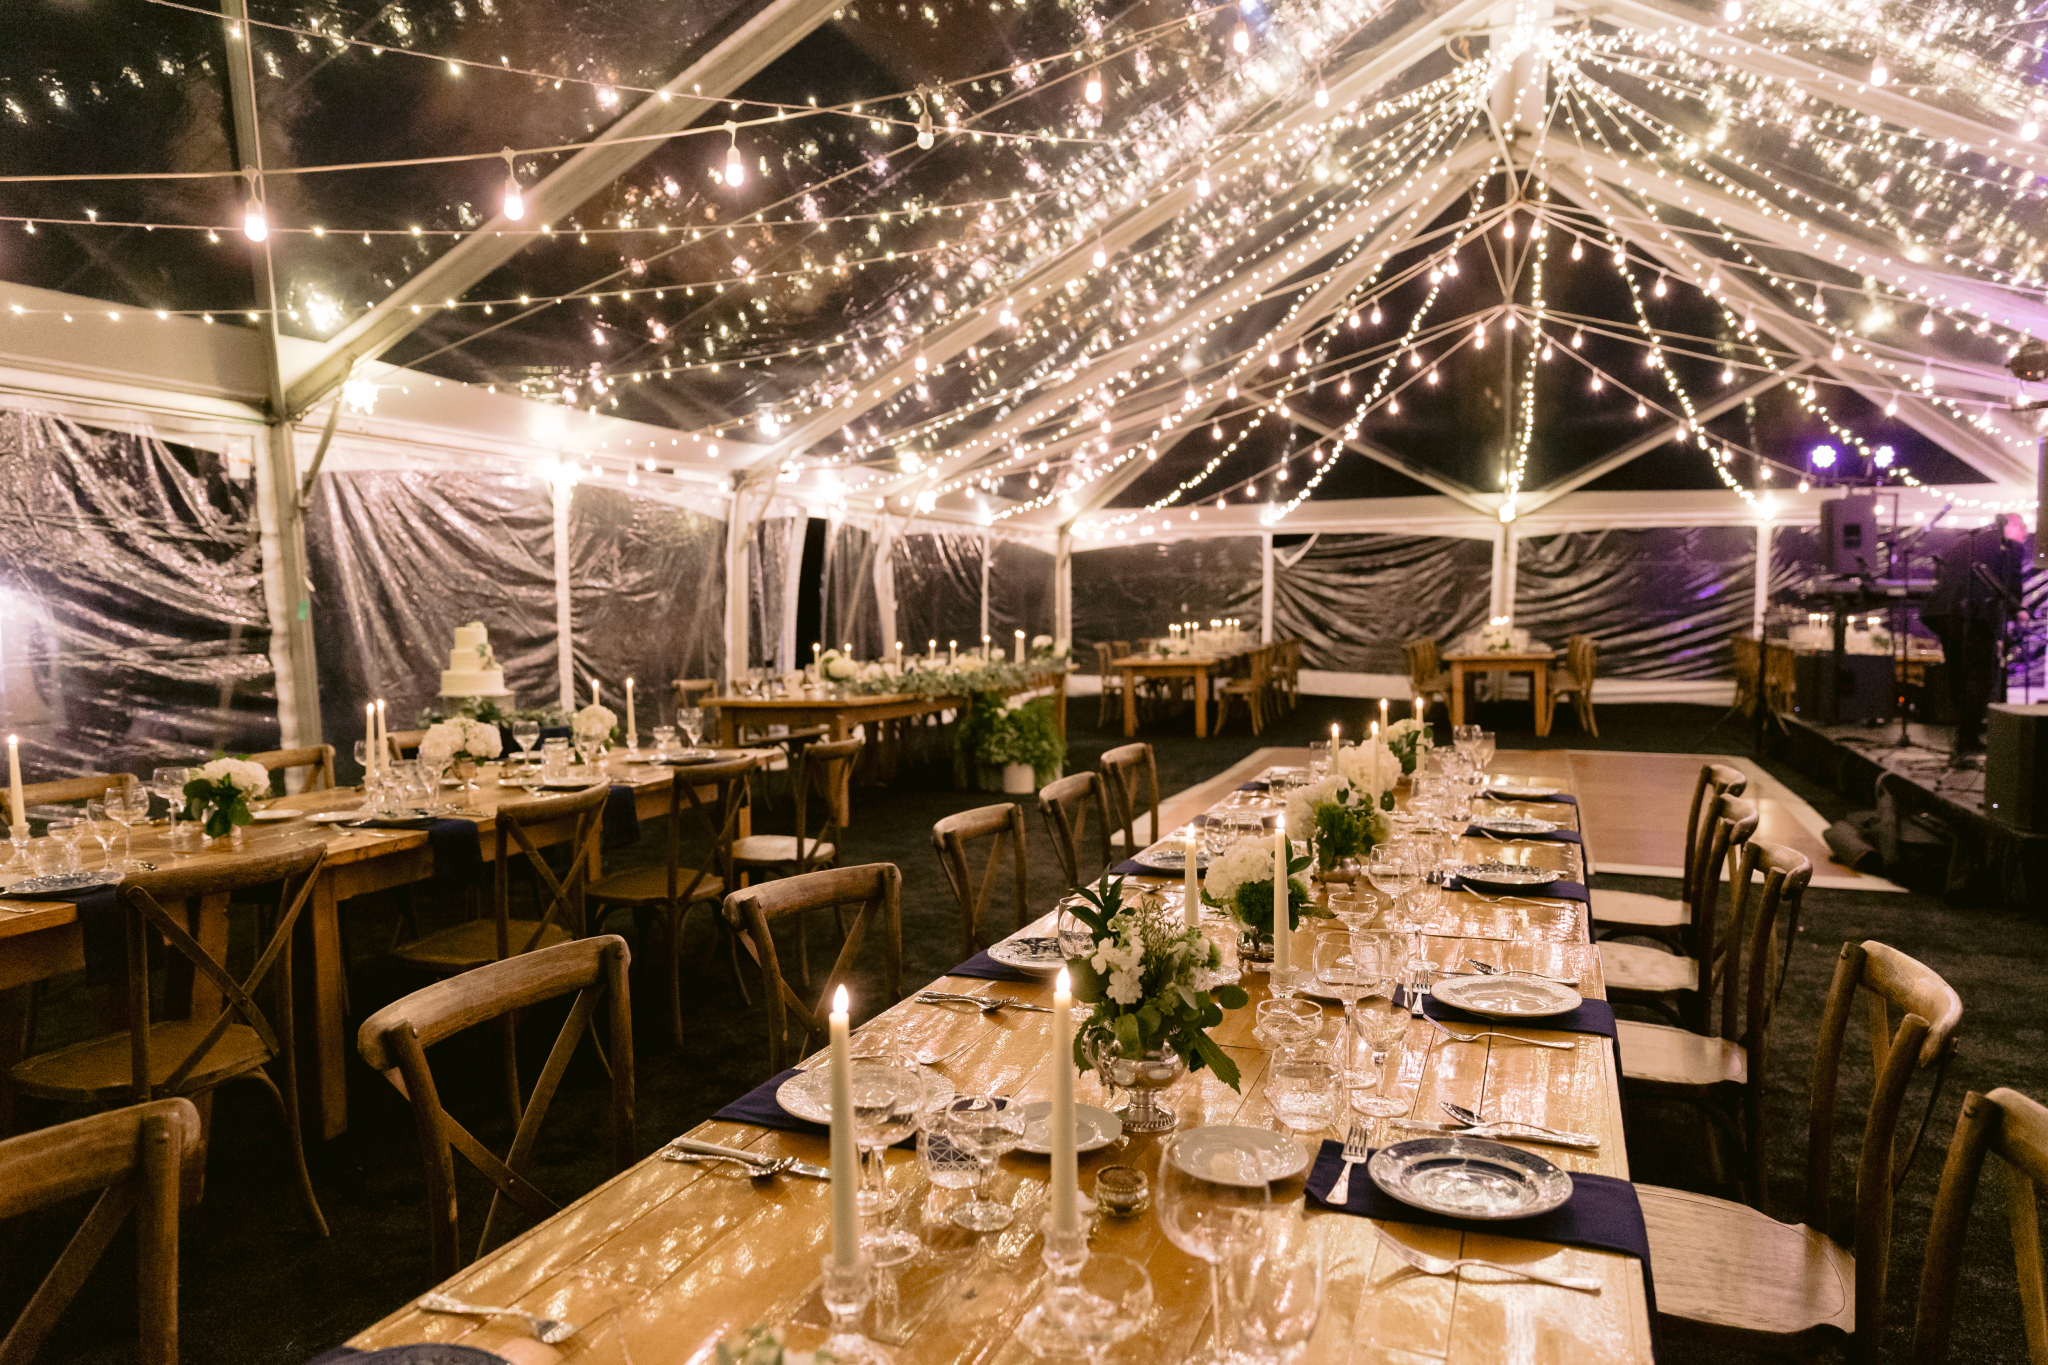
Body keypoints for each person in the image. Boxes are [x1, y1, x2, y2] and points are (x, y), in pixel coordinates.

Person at [1921, 511, 2031, 762]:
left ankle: (1963, 739)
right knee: (1979, 677)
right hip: (1974, 614)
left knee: (1957, 674)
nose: (2025, 535)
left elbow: (1943, 575)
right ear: (2012, 526)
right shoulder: (2009, 545)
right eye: (2023, 529)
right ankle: (1967, 739)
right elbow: (2011, 582)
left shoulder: (1964, 541)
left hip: (1944, 612)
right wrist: (2018, 609)